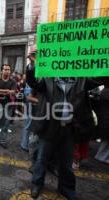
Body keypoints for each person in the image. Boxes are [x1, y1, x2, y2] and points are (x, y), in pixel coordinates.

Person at [26, 50, 100, 200]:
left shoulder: (82, 79)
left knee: (66, 163)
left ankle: (66, 188)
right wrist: (34, 63)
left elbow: (100, 77)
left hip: (70, 128)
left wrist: (102, 57)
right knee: (41, 159)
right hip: (48, 127)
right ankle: (36, 184)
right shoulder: (47, 78)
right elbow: (33, 82)